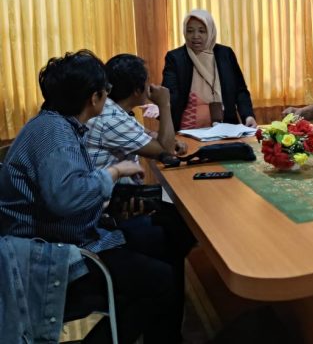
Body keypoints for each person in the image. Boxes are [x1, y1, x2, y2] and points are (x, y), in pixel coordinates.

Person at [0, 50, 180, 344]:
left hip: (68, 235)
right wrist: (114, 173)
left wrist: (108, 201)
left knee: (163, 240)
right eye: (104, 91)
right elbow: (65, 199)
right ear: (94, 98)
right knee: (160, 280)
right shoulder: (56, 136)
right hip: (55, 255)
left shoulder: (55, 124)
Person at [85, 53, 197, 339]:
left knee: (174, 222)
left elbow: (152, 140)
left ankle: (165, 330)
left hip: (109, 204)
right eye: (147, 82)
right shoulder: (111, 118)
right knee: (177, 229)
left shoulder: (113, 111)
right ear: (138, 90)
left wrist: (167, 141)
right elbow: (166, 151)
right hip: (102, 219)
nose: (152, 86)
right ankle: (165, 333)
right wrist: (165, 105)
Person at [162, 9, 257, 130]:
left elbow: (240, 90)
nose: (195, 36)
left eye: (202, 31)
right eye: (190, 31)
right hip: (189, 130)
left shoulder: (225, 54)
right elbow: (170, 93)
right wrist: (161, 105)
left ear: (211, 31)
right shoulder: (175, 58)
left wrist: (248, 116)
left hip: (226, 128)